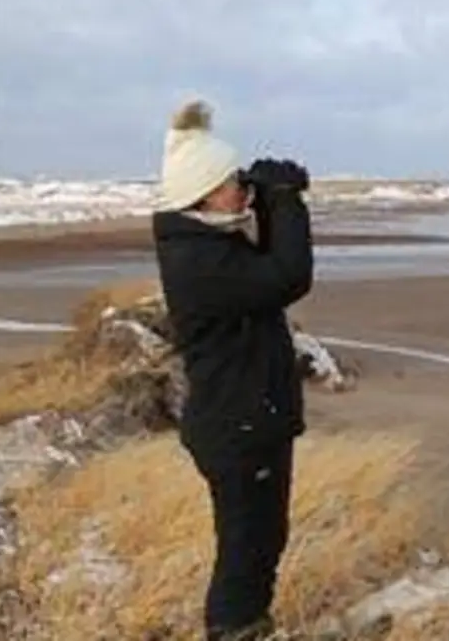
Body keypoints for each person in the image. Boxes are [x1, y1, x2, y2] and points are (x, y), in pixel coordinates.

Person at [151, 99, 314, 641]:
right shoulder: (200, 263)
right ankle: (234, 630)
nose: (242, 189)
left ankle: (247, 625)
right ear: (204, 196)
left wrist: (270, 202)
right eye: (233, 183)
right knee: (246, 552)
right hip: (237, 428)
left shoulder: (204, 244)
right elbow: (288, 276)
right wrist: (284, 200)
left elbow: (268, 270)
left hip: (242, 420)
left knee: (259, 542)